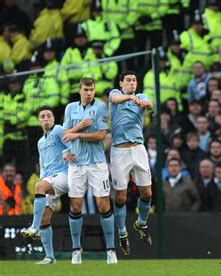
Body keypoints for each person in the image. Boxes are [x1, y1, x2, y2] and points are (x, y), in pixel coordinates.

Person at [62, 77, 116, 264]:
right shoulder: (70, 108)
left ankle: (111, 250)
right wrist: (77, 129)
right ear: (80, 90)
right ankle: (76, 250)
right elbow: (65, 134)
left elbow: (102, 135)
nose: (89, 93)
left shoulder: (100, 107)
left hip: (97, 163)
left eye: (92, 89)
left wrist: (76, 134)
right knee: (75, 206)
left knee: (103, 205)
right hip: (76, 164)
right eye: (86, 89)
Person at [20, 106, 73, 264]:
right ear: (38, 121)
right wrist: (43, 178)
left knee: (39, 187)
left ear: (54, 119)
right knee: (45, 219)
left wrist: (67, 152)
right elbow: (43, 165)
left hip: (65, 175)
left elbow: (72, 143)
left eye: (48, 116)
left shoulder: (58, 129)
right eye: (42, 116)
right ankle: (50, 257)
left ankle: (33, 228)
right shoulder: (40, 142)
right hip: (50, 178)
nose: (45, 119)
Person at [109, 71, 154, 256]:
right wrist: (129, 98)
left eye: (134, 80)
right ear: (121, 83)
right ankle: (122, 233)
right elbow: (113, 98)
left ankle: (141, 224)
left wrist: (143, 103)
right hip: (119, 151)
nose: (132, 83)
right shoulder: (115, 94)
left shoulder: (141, 97)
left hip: (138, 149)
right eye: (128, 80)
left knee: (147, 193)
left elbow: (150, 104)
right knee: (120, 196)